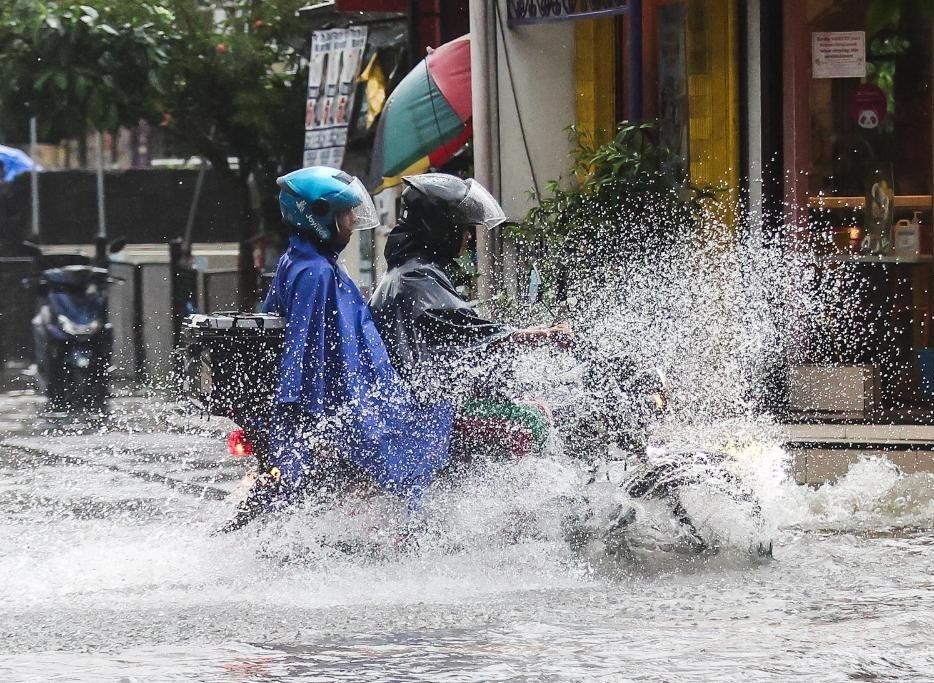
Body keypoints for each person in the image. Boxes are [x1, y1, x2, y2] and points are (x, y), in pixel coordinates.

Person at [223, 167, 453, 531]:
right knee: (432, 418)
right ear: (318, 216)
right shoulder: (315, 272)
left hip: (351, 394)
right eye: (344, 212)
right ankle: (414, 531)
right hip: (346, 401)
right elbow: (306, 352)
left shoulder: (304, 262)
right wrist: (318, 419)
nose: (350, 220)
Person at [368, 173, 571, 459]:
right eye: (462, 228)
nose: (467, 237)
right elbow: (469, 334)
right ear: (440, 229)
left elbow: (455, 338)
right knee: (531, 422)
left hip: (424, 404)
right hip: (425, 416)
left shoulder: (414, 270)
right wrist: (540, 335)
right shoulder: (415, 277)